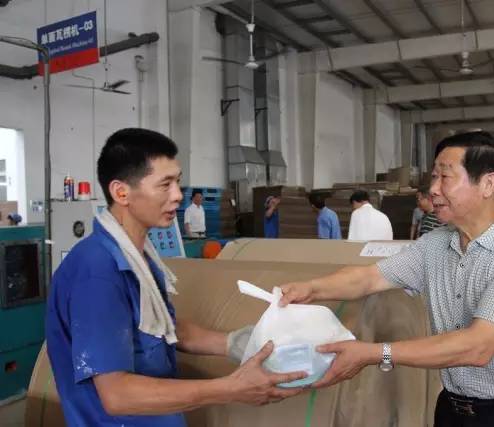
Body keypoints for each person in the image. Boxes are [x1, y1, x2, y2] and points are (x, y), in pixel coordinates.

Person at [280, 132, 494, 427]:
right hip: (453, 409)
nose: (433, 189)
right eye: (433, 177)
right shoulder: (435, 243)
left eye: (445, 177)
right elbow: (369, 278)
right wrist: (309, 289)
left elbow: (478, 346)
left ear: (487, 183)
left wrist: (373, 353)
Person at [46, 129, 306, 426]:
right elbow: (117, 395)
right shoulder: (97, 272)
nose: (178, 195)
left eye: (177, 182)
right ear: (121, 192)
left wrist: (235, 342)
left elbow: (161, 328)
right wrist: (230, 388)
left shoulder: (139, 257)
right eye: (165, 184)